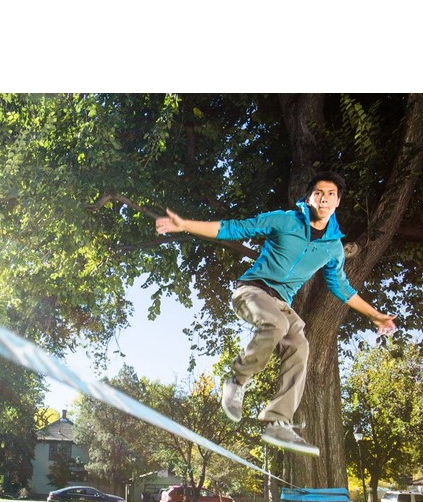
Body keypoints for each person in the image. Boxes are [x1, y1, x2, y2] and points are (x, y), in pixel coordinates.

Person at [155, 171, 396, 457]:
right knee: (276, 323)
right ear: (309, 198)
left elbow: (340, 286)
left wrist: (374, 314)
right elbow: (235, 228)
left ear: (337, 202)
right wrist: (185, 225)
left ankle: (278, 421)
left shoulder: (333, 248)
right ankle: (237, 381)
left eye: (331, 195)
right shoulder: (284, 220)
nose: (324, 199)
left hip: (282, 302)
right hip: (251, 290)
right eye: (318, 193)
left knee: (300, 346)